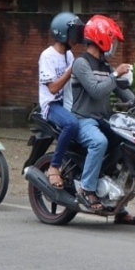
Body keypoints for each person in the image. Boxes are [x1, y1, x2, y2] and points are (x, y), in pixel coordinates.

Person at [70, 14, 135, 222]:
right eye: (113, 40)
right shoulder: (81, 63)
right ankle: (87, 189)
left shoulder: (105, 65)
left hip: (103, 119)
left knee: (128, 144)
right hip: (83, 119)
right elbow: (96, 90)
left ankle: (118, 204)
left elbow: (122, 92)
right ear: (101, 38)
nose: (114, 45)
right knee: (99, 142)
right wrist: (115, 75)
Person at [38, 12, 84, 188]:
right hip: (52, 105)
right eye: (74, 34)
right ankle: (54, 166)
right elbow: (53, 88)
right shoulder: (47, 56)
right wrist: (71, 69)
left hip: (67, 103)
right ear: (63, 34)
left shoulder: (69, 56)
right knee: (71, 124)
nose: (76, 39)